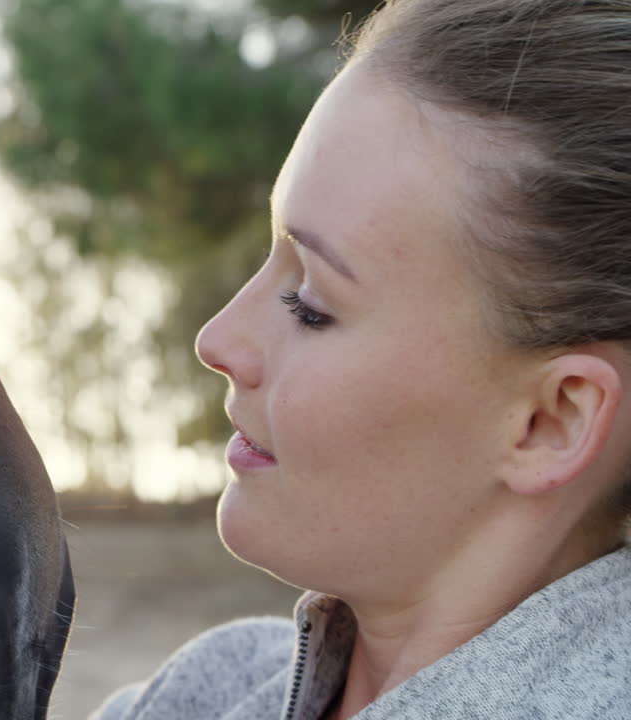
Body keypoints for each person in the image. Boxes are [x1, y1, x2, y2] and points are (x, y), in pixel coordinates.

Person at [90, 1, 631, 718]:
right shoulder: (209, 690)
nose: (218, 341)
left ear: (548, 420)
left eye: (310, 305)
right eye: (269, 258)